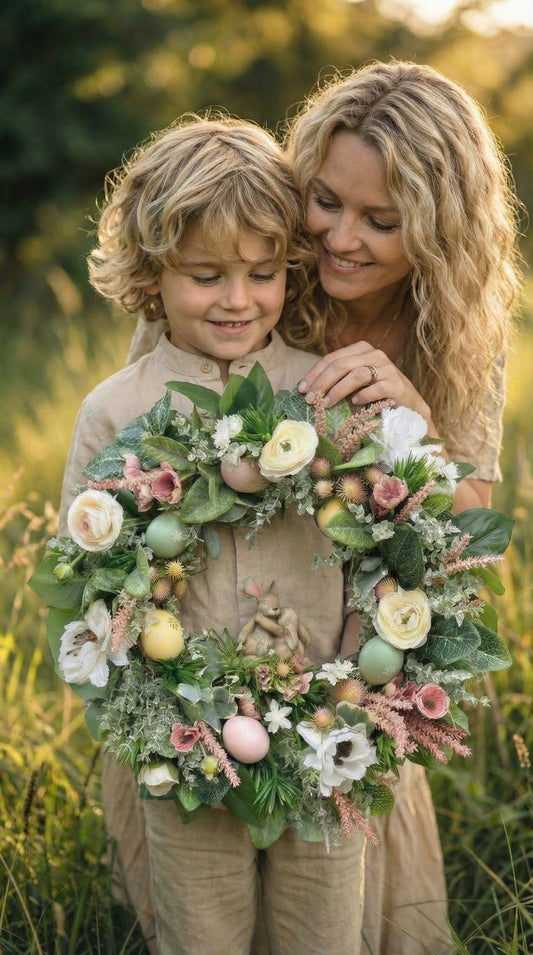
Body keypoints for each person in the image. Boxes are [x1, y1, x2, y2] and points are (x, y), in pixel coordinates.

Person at [127, 61, 522, 954]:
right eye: (325, 201)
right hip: (209, 647)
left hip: (344, 678)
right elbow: (146, 443)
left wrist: (413, 423)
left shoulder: (458, 327)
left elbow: (471, 530)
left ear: (439, 230)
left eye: (381, 221)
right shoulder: (245, 275)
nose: (340, 239)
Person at [58, 115, 367, 955]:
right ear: (150, 273)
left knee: (322, 927)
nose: (238, 299)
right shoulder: (117, 411)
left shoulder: (321, 391)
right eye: (205, 275)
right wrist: (157, 716)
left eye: (263, 273)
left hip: (321, 732)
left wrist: (356, 683)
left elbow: (373, 548)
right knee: (199, 929)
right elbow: (85, 581)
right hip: (185, 745)